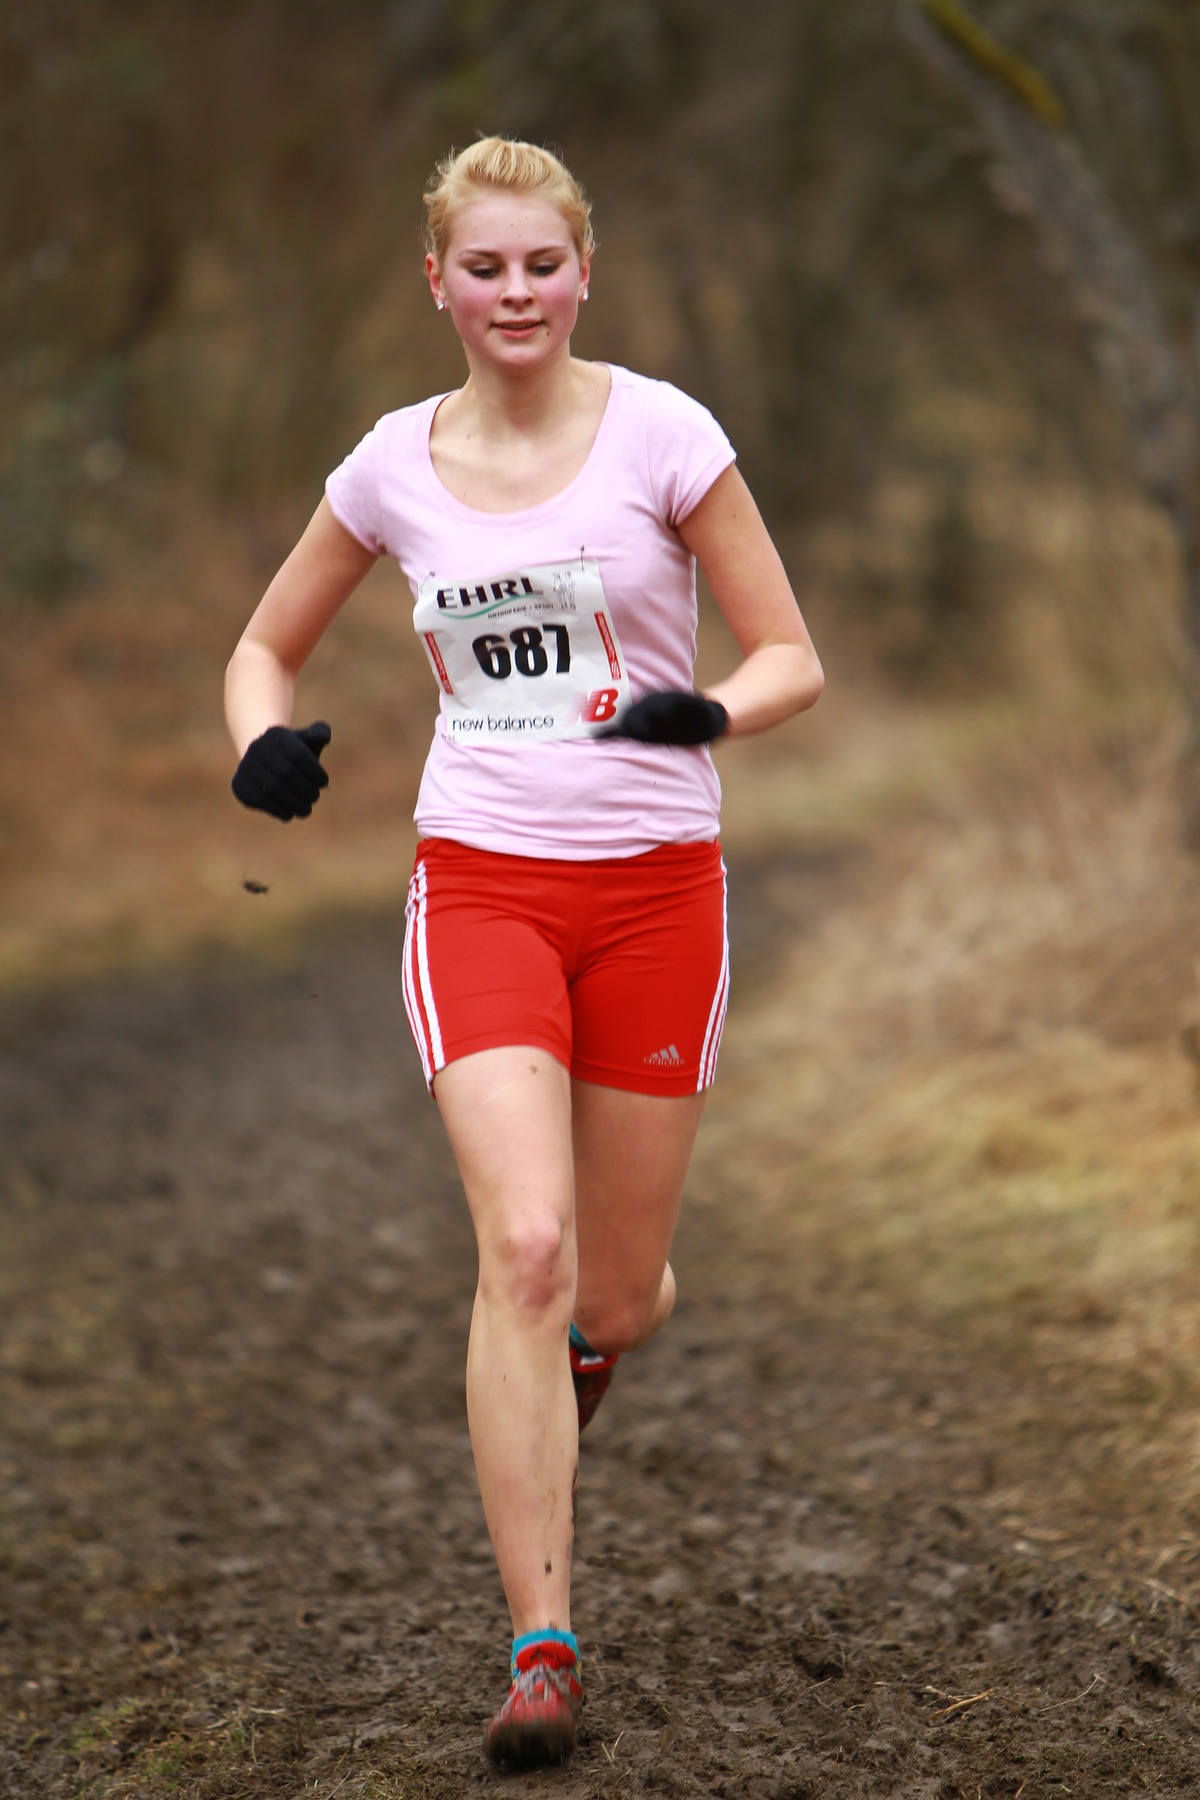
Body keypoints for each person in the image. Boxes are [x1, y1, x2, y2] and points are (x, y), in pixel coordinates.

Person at [224, 136, 823, 1770]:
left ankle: (558, 1364)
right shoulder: (389, 465)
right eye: (483, 267)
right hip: (483, 883)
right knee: (531, 1246)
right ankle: (541, 1650)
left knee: (613, 1294)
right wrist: (259, 743)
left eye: (541, 265)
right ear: (438, 282)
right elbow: (265, 646)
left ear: (583, 275)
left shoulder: (665, 434)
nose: (515, 293)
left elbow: (789, 654)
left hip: (657, 894)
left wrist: (709, 711)